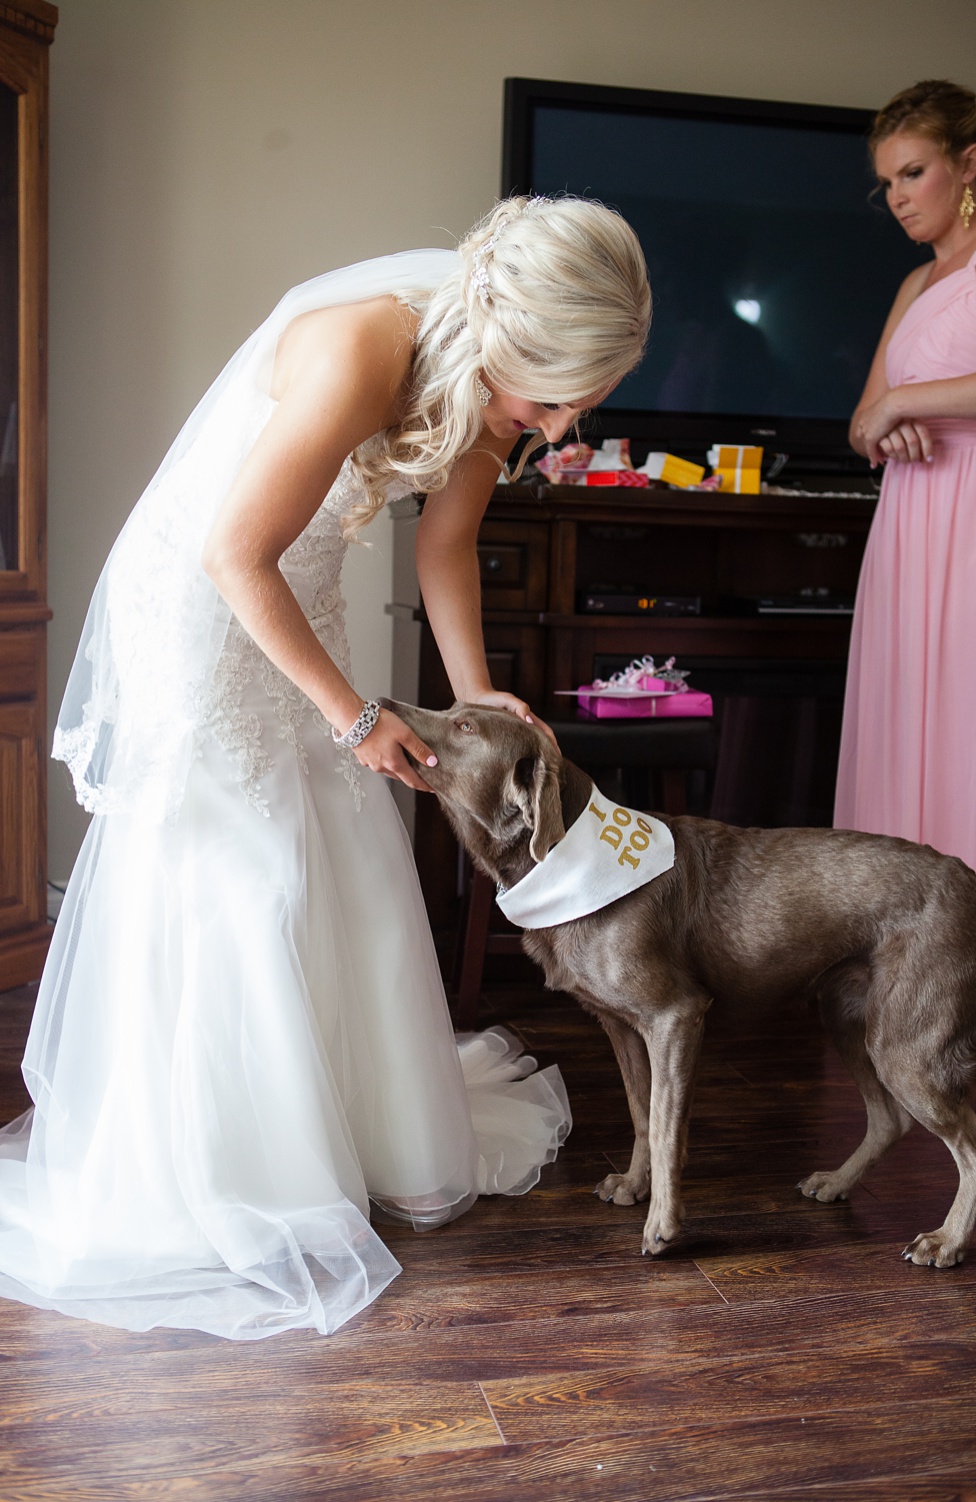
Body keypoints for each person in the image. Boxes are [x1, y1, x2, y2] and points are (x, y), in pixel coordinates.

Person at [0, 197, 651, 1339]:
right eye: (546, 401)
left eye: (577, 406)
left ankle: (348, 1128)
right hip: (213, 602)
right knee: (246, 867)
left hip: (297, 600)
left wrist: (470, 691)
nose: (554, 426)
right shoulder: (364, 346)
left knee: (342, 840)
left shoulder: (494, 372)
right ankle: (221, 1164)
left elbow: (445, 542)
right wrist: (354, 717)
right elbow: (230, 552)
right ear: (506, 342)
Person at [836, 80, 976, 894]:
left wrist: (908, 402)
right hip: (909, 518)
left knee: (968, 707)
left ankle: (973, 911)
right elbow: (860, 421)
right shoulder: (913, 286)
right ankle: (894, 911)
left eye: (913, 173)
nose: (897, 197)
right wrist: (886, 420)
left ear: (968, 163)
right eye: (888, 182)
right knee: (904, 711)